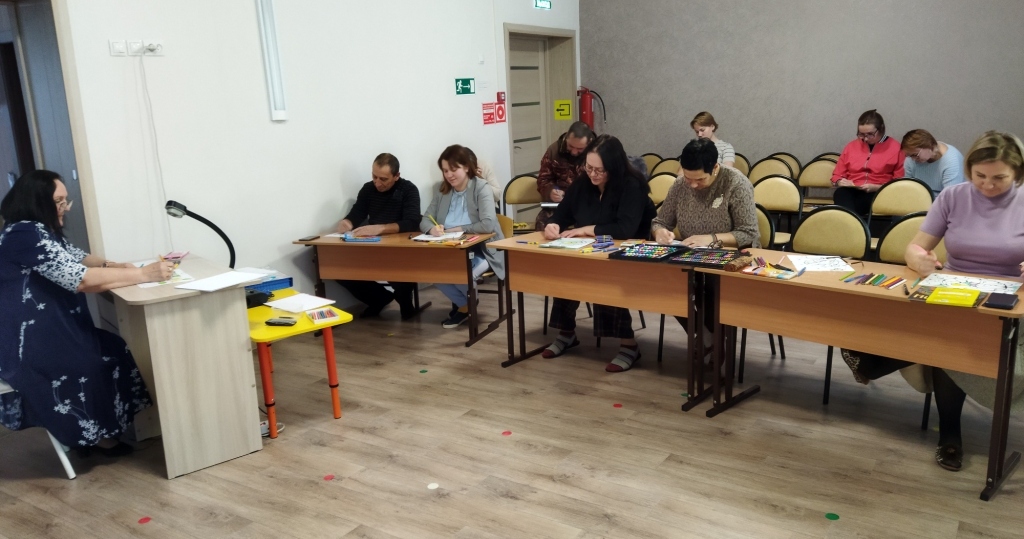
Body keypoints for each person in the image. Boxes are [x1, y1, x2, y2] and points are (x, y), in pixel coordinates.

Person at [840, 131, 1024, 472]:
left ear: (1018, 172)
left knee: (949, 337)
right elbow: (915, 247)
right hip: (953, 291)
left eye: (999, 178)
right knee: (947, 331)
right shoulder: (954, 196)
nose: (987, 185)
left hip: (1008, 300)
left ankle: (874, 363)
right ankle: (949, 433)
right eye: (979, 176)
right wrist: (919, 260)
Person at [0, 170, 174, 457]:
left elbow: (77, 257)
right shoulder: (25, 234)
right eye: (59, 201)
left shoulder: (38, 230)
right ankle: (91, 436)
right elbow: (80, 279)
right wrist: (144, 274)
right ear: (37, 201)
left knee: (113, 347)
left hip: (53, 331)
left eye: (65, 200)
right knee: (92, 362)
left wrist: (113, 266)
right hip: (29, 344)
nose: (65, 207)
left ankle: (102, 431)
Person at [541, 135, 657, 373]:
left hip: (628, 254)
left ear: (613, 167)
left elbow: (625, 229)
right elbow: (562, 214)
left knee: (604, 276)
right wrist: (553, 226)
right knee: (566, 270)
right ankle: (566, 333)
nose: (593, 174)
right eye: (589, 167)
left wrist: (587, 229)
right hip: (591, 251)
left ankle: (629, 345)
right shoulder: (583, 183)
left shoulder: (632, 185)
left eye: (599, 170)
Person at [651, 138, 760, 353]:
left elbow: (748, 233)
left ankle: (714, 342)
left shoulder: (736, 183)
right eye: (688, 178)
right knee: (666, 283)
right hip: (691, 255)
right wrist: (659, 232)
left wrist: (711, 238)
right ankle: (704, 336)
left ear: (715, 167)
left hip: (728, 258)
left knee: (711, 286)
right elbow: (660, 221)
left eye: (700, 179)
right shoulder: (680, 184)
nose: (692, 185)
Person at [421, 145, 506, 329]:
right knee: (432, 273)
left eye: (454, 169)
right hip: (452, 248)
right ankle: (466, 305)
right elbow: (425, 219)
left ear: (466, 167)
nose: (449, 175)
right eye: (445, 170)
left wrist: (459, 229)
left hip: (483, 248)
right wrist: (432, 229)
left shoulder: (481, 187)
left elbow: (488, 224)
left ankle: (465, 306)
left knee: (461, 273)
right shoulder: (443, 191)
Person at [335, 153, 422, 319]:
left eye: (383, 179)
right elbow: (357, 213)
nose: (377, 183)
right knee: (337, 266)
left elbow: (411, 222)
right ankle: (379, 299)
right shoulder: (368, 189)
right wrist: (346, 223)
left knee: (398, 266)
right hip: (372, 244)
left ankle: (404, 301)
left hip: (400, 247)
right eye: (374, 177)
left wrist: (380, 228)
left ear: (396, 176)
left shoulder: (408, 190)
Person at [831, 109, 905, 216]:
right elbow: (837, 174)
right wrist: (839, 181)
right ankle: (854, 223)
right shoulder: (851, 146)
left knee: (855, 205)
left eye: (870, 134)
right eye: (861, 134)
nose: (865, 139)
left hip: (879, 191)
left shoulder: (896, 148)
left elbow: (899, 181)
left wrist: (877, 187)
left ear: (881, 129)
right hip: (853, 189)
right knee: (840, 193)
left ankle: (850, 223)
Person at [535, 121, 594, 230]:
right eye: (570, 146)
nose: (574, 152)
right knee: (544, 223)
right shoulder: (554, 150)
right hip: (561, 204)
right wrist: (550, 191)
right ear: (566, 137)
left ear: (589, 143)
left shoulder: (597, 152)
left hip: (590, 204)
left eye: (580, 149)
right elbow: (543, 179)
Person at [901, 129, 966, 196]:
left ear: (929, 146)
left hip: (947, 199)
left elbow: (950, 197)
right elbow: (908, 187)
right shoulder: (911, 159)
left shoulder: (951, 162)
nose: (913, 159)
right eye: (909, 155)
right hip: (921, 197)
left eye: (915, 155)